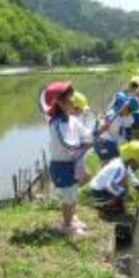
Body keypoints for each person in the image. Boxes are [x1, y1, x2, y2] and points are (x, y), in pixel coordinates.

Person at [45, 81, 93, 236]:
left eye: (72, 97)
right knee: (67, 197)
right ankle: (66, 226)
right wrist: (84, 145)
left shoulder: (73, 120)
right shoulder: (56, 124)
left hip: (73, 163)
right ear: (59, 102)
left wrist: (97, 132)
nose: (73, 100)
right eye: (69, 98)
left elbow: (86, 134)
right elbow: (67, 144)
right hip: (61, 166)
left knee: (73, 194)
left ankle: (71, 219)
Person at [89, 140, 139, 215]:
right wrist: (123, 194)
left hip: (100, 190)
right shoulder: (119, 167)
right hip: (98, 194)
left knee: (125, 181)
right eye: (138, 163)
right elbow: (110, 185)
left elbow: (131, 177)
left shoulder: (122, 162)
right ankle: (106, 206)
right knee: (123, 185)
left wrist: (138, 187)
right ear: (131, 160)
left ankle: (113, 205)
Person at [94, 88, 139, 163]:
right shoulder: (113, 118)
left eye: (132, 111)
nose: (130, 113)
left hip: (111, 147)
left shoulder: (120, 115)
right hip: (108, 148)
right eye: (130, 110)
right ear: (125, 107)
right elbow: (112, 136)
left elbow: (124, 132)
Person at [70, 91, 93, 185]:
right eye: (81, 109)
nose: (83, 112)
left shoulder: (73, 119)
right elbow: (87, 136)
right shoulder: (72, 121)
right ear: (74, 108)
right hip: (74, 156)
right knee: (79, 177)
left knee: (85, 175)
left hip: (78, 154)